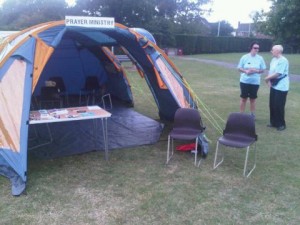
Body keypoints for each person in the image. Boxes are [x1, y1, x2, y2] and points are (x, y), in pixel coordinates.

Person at [237, 41, 266, 119]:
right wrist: (246, 71)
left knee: (253, 99)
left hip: (255, 82)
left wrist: (256, 71)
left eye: (258, 48)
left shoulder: (260, 58)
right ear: (251, 48)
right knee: (243, 98)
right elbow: (239, 68)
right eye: (255, 48)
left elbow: (263, 69)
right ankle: (241, 114)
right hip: (245, 81)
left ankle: (252, 115)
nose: (256, 49)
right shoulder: (244, 57)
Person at [264, 45, 289, 131]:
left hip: (281, 87)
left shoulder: (283, 60)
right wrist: (269, 81)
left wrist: (267, 79)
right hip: (274, 85)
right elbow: (271, 71)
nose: (271, 51)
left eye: (273, 50)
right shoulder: (273, 59)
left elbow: (278, 73)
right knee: (272, 104)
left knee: (279, 105)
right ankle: (273, 122)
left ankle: (281, 124)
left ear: (278, 51)